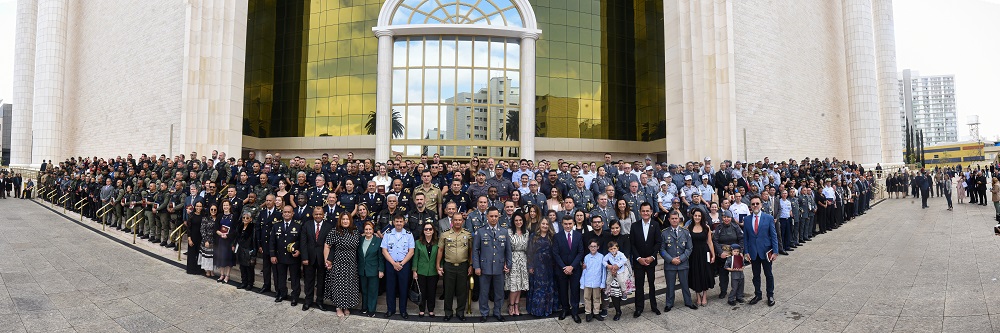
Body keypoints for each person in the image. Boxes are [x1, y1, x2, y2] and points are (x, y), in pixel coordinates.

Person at [472, 207, 512, 322]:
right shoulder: (480, 231)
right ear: (487, 217)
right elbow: (475, 250)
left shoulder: (504, 231)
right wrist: (477, 266)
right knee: (484, 292)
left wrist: (508, 265)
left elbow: (508, 250)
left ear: (499, 216)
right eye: (491, 216)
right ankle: (484, 312)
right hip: (484, 267)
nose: (494, 218)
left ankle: (497, 312)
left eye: (496, 216)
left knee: (499, 292)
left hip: (499, 267)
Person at [742, 195, 779, 306]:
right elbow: (746, 238)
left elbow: (774, 236)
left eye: (757, 203)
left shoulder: (768, 218)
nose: (755, 205)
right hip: (754, 253)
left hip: (766, 252)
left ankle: (770, 295)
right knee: (756, 276)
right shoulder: (747, 220)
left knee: (769, 275)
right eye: (753, 204)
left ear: (761, 205)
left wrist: (775, 251)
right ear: (750, 206)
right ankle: (758, 294)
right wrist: (746, 252)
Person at [323, 213, 360, 317]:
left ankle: (346, 306)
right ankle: (339, 307)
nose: (345, 221)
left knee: (349, 286)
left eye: (347, 219)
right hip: (339, 263)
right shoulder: (335, 231)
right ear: (340, 220)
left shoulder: (355, 231)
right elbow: (327, 245)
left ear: (350, 220)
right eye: (343, 219)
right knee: (339, 286)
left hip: (351, 264)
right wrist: (326, 260)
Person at [629, 202, 662, 317]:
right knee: (639, 285)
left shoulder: (655, 225)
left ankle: (654, 306)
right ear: (640, 212)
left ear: (651, 212)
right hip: (639, 262)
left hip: (651, 261)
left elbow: (658, 242)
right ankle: (639, 308)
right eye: (643, 211)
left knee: (652, 284)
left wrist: (652, 257)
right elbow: (632, 244)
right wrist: (638, 258)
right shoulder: (634, 226)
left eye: (647, 211)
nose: (645, 213)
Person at [437, 213, 472, 321]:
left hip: (463, 266)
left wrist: (471, 265)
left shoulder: (468, 235)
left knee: (462, 291)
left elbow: (471, 251)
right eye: (455, 220)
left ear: (463, 221)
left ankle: (460, 312)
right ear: (452, 222)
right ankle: (448, 312)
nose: (457, 222)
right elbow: (440, 250)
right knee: (448, 291)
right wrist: (438, 265)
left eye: (459, 220)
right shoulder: (445, 234)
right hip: (449, 266)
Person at [381, 213, 415, 319]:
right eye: (397, 221)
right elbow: (384, 250)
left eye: (401, 221)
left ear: (404, 222)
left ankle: (403, 311)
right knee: (390, 288)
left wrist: (401, 264)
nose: (399, 223)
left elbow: (411, 251)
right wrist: (393, 263)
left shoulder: (409, 234)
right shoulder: (388, 234)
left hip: (403, 265)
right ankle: (390, 309)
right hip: (391, 264)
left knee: (403, 288)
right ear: (393, 222)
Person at [661, 210, 695, 311]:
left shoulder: (685, 232)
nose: (674, 220)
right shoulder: (664, 233)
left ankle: (688, 302)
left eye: (676, 218)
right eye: (672, 219)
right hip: (670, 264)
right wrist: (671, 260)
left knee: (685, 284)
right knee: (670, 285)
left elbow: (689, 248)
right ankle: (669, 303)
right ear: (669, 220)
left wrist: (682, 258)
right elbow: (662, 250)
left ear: (679, 219)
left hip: (683, 263)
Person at [302, 207, 334, 311]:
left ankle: (320, 301)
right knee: (309, 281)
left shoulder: (329, 226)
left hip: (322, 259)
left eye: (320, 214)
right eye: (316, 214)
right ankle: (308, 301)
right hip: (309, 259)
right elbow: (303, 242)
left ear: (323, 214)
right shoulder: (307, 225)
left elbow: (331, 245)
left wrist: (328, 259)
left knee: (321, 282)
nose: (318, 216)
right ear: (313, 214)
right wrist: (305, 257)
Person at [553, 216, 584, 323]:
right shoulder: (557, 236)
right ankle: (565, 309)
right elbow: (555, 253)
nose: (568, 226)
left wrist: (572, 266)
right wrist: (564, 267)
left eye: (570, 224)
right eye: (565, 224)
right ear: (562, 224)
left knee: (575, 291)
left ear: (573, 223)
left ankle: (575, 312)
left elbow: (580, 252)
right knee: (563, 290)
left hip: (574, 268)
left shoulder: (578, 236)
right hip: (561, 269)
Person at [270, 205, 302, 306]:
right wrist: (272, 255)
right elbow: (272, 242)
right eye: (285, 212)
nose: (287, 214)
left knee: (294, 278)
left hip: (293, 257)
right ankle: (282, 294)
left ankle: (294, 297)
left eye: (289, 212)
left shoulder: (298, 226)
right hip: (280, 257)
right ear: (282, 213)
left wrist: (299, 251)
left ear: (293, 213)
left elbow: (301, 241)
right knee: (281, 277)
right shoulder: (276, 226)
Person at [526, 220, 557, 317]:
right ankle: (537, 310)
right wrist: (530, 266)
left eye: (547, 224)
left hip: (549, 266)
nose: (545, 225)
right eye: (543, 223)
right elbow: (529, 251)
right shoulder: (533, 236)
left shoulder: (552, 237)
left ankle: (547, 309)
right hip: (537, 266)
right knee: (538, 288)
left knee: (548, 287)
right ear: (539, 225)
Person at [686, 208, 716, 306]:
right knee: (695, 273)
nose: (697, 217)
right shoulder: (688, 228)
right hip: (693, 254)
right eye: (695, 216)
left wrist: (713, 254)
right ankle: (697, 296)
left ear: (702, 217)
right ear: (692, 216)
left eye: (699, 216)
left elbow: (710, 242)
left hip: (705, 253)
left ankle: (704, 295)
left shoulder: (706, 227)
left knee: (705, 272)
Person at [713, 211, 744, 299]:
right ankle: (723, 291)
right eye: (724, 217)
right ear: (722, 218)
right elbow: (715, 241)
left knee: (737, 275)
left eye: (728, 217)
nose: (726, 219)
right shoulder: (718, 228)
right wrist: (720, 252)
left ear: (731, 218)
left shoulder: (736, 227)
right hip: (723, 256)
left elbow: (741, 239)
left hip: (735, 255)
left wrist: (740, 251)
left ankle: (738, 293)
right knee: (723, 275)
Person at [413, 221, 440, 318]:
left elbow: (439, 257)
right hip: (421, 271)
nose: (428, 231)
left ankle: (431, 310)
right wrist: (414, 271)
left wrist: (440, 268)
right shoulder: (418, 243)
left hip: (433, 271)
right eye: (426, 229)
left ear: (433, 231)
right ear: (423, 231)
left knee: (432, 291)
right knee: (422, 292)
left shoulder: (437, 243)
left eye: (430, 229)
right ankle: (421, 310)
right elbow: (415, 257)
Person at [357, 222, 384, 317]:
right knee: (364, 290)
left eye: (370, 229)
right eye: (366, 229)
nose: (368, 231)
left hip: (373, 270)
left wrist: (381, 270)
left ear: (373, 231)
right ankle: (364, 308)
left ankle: (371, 310)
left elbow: (381, 257)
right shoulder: (360, 240)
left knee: (372, 291)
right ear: (364, 230)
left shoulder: (378, 241)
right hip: (362, 270)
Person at [256, 195, 281, 294]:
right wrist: (259, 244)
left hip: (274, 246)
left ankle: (278, 288)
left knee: (275, 269)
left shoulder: (278, 214)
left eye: (270, 200)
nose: (268, 202)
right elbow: (258, 229)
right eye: (266, 200)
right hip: (264, 245)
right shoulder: (262, 213)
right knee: (266, 268)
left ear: (274, 201)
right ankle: (266, 285)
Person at [505, 213, 530, 316]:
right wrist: (506, 262)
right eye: (516, 220)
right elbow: (506, 249)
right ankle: (511, 305)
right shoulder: (509, 232)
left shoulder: (526, 233)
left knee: (520, 285)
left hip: (523, 260)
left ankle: (516, 305)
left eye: (520, 220)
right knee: (513, 285)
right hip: (512, 259)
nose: (518, 222)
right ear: (513, 222)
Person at [602, 240, 632, 321]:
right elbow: (604, 261)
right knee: (608, 281)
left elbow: (624, 260)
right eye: (611, 249)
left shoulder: (620, 254)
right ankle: (607, 291)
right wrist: (608, 266)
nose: (613, 250)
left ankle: (624, 292)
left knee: (621, 281)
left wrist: (617, 265)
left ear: (617, 248)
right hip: (611, 270)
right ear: (608, 249)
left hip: (620, 271)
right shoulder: (608, 255)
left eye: (614, 248)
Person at [580, 239, 606, 322]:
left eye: (595, 246)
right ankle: (588, 313)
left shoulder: (601, 257)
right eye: (591, 246)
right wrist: (582, 282)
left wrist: (602, 283)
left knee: (596, 298)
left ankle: (596, 312)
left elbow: (603, 271)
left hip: (597, 281)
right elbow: (584, 270)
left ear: (598, 247)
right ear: (588, 247)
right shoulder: (587, 257)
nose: (593, 248)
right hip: (588, 281)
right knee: (587, 298)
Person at [213, 201, 236, 283]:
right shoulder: (219, 216)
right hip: (220, 240)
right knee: (221, 258)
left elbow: (235, 230)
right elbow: (216, 228)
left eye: (227, 205)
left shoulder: (234, 216)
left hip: (229, 240)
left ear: (230, 206)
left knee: (228, 258)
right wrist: (221, 234)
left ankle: (227, 275)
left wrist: (227, 235)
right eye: (224, 205)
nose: (225, 207)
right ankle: (222, 275)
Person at [233, 212, 256, 290]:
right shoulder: (240, 226)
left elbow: (254, 240)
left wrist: (254, 251)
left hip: (249, 249)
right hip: (241, 249)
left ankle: (250, 283)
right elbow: (236, 237)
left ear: (251, 219)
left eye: (247, 218)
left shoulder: (253, 228)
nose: (245, 219)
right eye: (244, 218)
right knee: (242, 267)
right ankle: (244, 282)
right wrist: (234, 244)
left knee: (249, 268)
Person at [185, 201, 205, 275]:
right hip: (193, 237)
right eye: (197, 206)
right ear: (195, 207)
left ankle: (199, 269)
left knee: (200, 254)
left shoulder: (204, 215)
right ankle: (191, 269)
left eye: (200, 206)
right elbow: (189, 228)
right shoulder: (191, 215)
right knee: (192, 254)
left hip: (201, 237)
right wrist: (189, 239)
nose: (199, 208)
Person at [199, 204, 219, 278]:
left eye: (215, 210)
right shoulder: (205, 218)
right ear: (209, 210)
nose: (213, 211)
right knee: (207, 257)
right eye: (212, 209)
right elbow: (202, 230)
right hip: (207, 239)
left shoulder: (218, 218)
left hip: (215, 241)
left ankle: (212, 270)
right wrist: (206, 240)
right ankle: (207, 270)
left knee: (213, 257)